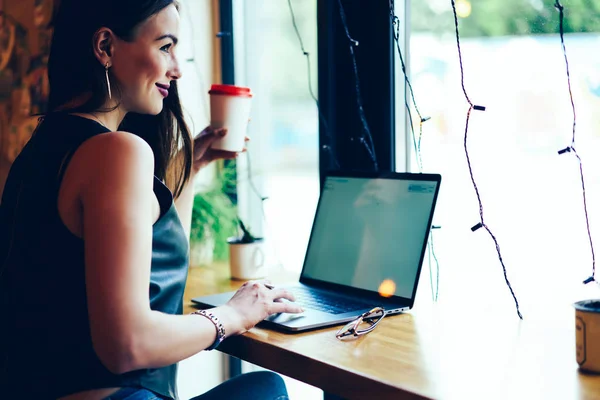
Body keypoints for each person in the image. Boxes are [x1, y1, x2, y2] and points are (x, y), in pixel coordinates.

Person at [0, 1, 303, 399]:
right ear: (105, 46)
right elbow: (128, 345)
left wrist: (191, 168)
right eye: (165, 46)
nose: (176, 69)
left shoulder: (40, 148)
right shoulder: (116, 150)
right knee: (266, 389)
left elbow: (156, 272)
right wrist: (232, 315)